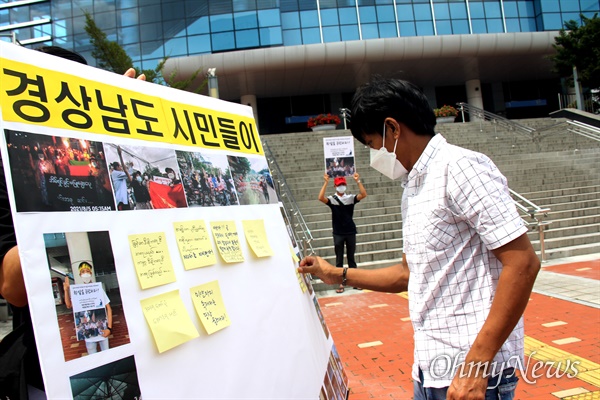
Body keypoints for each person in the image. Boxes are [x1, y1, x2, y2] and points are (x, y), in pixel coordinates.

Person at [299, 77, 540, 400]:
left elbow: (523, 262)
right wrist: (336, 273)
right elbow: (408, 274)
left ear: (393, 129)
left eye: (372, 144)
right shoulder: (413, 188)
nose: (374, 156)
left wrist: (476, 366)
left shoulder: (460, 168)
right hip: (431, 367)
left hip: (470, 373)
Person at [0, 46, 145, 399]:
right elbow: (12, 289)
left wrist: (137, 127)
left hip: (152, 358)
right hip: (52, 377)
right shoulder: (9, 172)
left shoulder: (111, 159)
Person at [318, 172, 367, 293]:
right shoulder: (332, 199)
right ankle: (340, 284)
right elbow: (320, 198)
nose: (342, 187)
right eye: (339, 185)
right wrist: (325, 182)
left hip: (350, 231)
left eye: (343, 184)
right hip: (338, 232)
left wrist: (357, 181)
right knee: (339, 259)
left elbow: (363, 194)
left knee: (351, 258)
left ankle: (355, 282)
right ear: (335, 187)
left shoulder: (350, 198)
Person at [63, 262, 113, 354]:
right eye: (83, 271)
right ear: (80, 274)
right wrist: (66, 290)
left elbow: (108, 308)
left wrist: (109, 329)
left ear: (91, 273)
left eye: (87, 271)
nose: (85, 273)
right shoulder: (77, 290)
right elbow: (69, 305)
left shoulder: (98, 289)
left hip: (102, 331)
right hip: (88, 334)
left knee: (107, 355)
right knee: (93, 358)